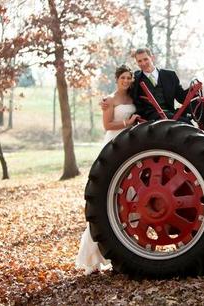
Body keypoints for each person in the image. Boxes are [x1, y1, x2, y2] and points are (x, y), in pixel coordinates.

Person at [76, 64, 139, 275]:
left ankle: (122, 248)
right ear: (116, 79)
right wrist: (127, 122)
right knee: (107, 197)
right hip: (114, 143)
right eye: (123, 77)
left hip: (131, 145)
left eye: (129, 77)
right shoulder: (110, 100)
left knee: (128, 196)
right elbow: (107, 125)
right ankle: (92, 257)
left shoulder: (134, 98)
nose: (127, 81)